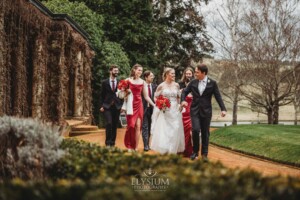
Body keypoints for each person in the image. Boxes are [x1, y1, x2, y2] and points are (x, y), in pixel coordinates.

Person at [181, 63, 226, 161]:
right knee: (195, 130)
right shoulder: (193, 82)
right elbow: (184, 91)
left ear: (204, 73)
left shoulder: (212, 83)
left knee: (205, 133)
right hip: (194, 111)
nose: (195, 74)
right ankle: (195, 152)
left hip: (206, 112)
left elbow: (218, 96)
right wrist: (183, 100)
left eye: (197, 72)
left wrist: (223, 109)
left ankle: (204, 154)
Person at [150, 68, 185, 154]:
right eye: (172, 74)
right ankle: (165, 149)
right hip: (165, 110)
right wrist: (160, 104)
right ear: (166, 74)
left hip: (175, 110)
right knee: (165, 130)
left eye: (174, 74)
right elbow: (155, 97)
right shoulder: (161, 86)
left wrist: (179, 105)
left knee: (175, 129)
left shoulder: (176, 85)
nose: (174, 75)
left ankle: (172, 150)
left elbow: (178, 97)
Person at [122, 64, 155, 152]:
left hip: (139, 104)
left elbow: (146, 96)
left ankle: (135, 147)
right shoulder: (127, 80)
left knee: (138, 126)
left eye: (141, 70)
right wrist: (126, 91)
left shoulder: (143, 82)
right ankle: (129, 146)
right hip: (130, 105)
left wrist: (154, 105)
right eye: (139, 70)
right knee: (131, 126)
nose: (140, 72)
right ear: (134, 70)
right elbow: (121, 94)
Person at [99, 65, 123, 147]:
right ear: (110, 71)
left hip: (117, 106)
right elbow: (102, 95)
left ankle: (112, 143)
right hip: (107, 106)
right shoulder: (104, 82)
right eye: (115, 71)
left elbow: (122, 95)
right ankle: (107, 142)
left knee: (115, 125)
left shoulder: (120, 82)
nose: (116, 72)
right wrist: (102, 105)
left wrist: (122, 106)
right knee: (109, 123)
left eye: (117, 71)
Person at [179, 67, 194, 157]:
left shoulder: (194, 83)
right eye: (187, 73)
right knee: (182, 129)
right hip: (182, 109)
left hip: (191, 108)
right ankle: (180, 149)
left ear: (192, 74)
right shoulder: (180, 83)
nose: (188, 75)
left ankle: (190, 150)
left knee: (190, 130)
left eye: (190, 74)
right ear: (184, 74)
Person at [142, 71, 157, 151]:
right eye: (151, 76)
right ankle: (145, 145)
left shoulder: (154, 86)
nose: (152, 77)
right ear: (146, 77)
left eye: (153, 76)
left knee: (150, 126)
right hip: (143, 108)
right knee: (145, 126)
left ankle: (148, 143)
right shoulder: (141, 85)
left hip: (152, 109)